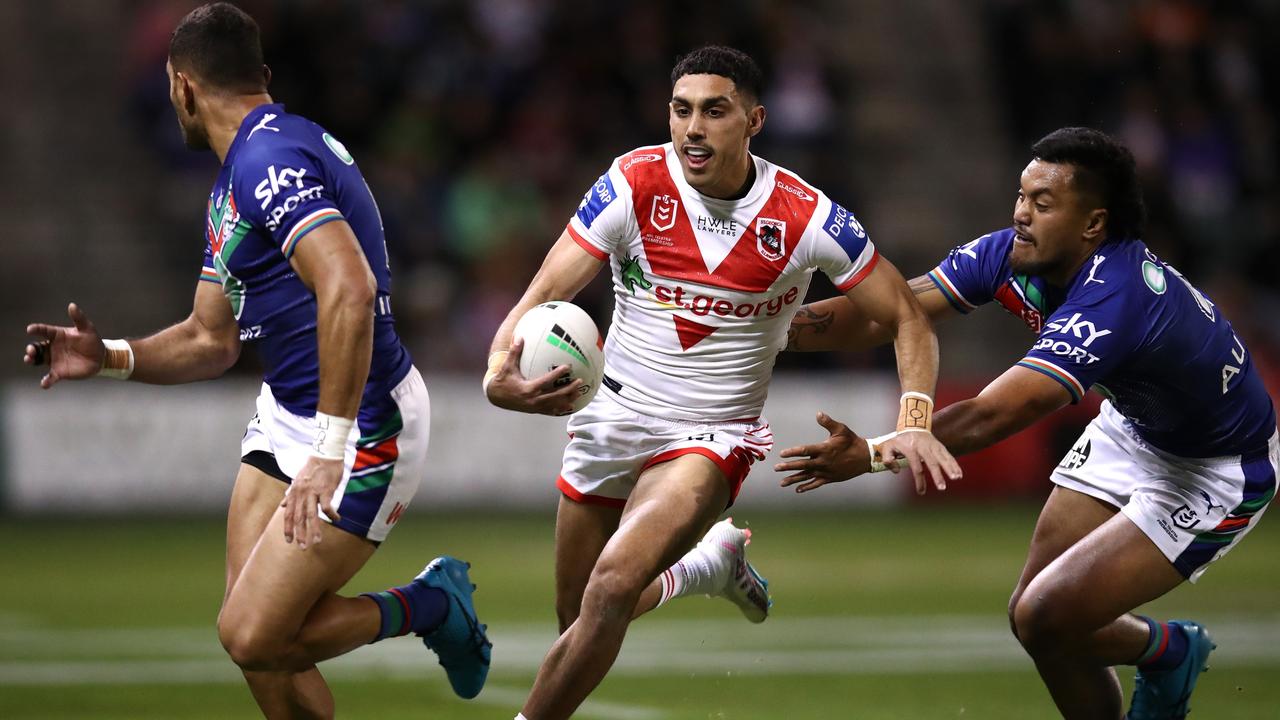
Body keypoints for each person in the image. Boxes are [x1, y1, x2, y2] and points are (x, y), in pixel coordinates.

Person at [22, 4, 490, 717]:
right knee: (265, 658)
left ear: (181, 87)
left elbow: (349, 286)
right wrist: (111, 356)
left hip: (365, 426)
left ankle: (430, 604)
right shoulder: (240, 173)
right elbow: (211, 339)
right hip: (286, 414)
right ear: (261, 77)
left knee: (252, 634)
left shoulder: (267, 161)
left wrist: (331, 449)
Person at [483, 45, 960, 720]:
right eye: (681, 110)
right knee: (580, 613)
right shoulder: (632, 183)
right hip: (609, 418)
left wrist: (914, 417)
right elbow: (540, 294)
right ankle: (705, 569)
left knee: (612, 587)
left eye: (714, 111)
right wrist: (495, 377)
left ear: (754, 120)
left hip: (711, 436)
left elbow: (907, 318)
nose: (693, 128)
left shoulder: (806, 216)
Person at [778, 127, 1278, 719]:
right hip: (1135, 428)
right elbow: (887, 315)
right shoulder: (1007, 255)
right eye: (1021, 196)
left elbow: (997, 412)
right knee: (1033, 621)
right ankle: (1163, 656)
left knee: (1046, 617)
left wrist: (869, 456)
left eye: (1042, 204)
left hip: (1218, 470)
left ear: (1092, 224)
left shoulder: (1115, 297)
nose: (1021, 214)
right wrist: (755, 326)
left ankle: (1167, 651)